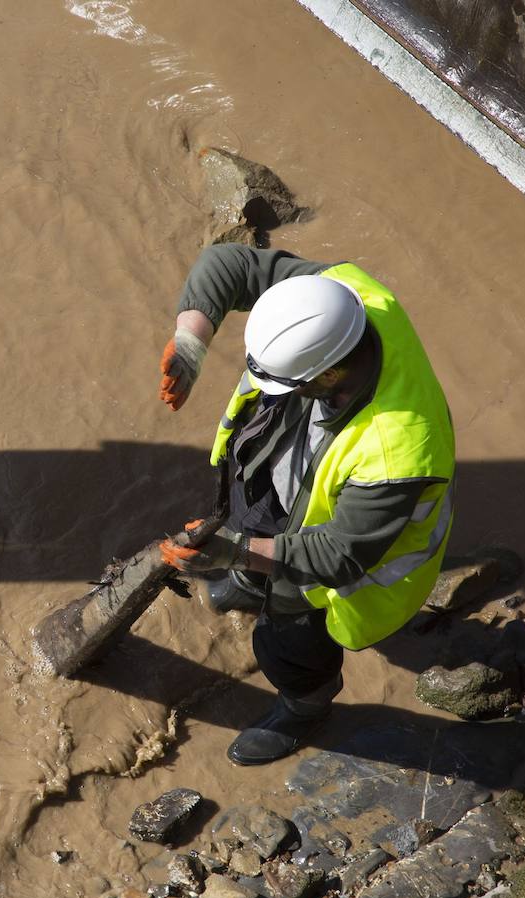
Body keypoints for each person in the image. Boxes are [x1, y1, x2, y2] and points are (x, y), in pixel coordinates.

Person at [155, 244, 455, 766]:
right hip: (287, 477)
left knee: (287, 642)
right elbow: (234, 264)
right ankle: (249, 583)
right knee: (251, 526)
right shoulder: (347, 299)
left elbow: (339, 555)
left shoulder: (400, 448)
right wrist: (191, 342)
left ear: (330, 375)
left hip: (330, 556)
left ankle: (305, 705)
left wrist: (235, 552)